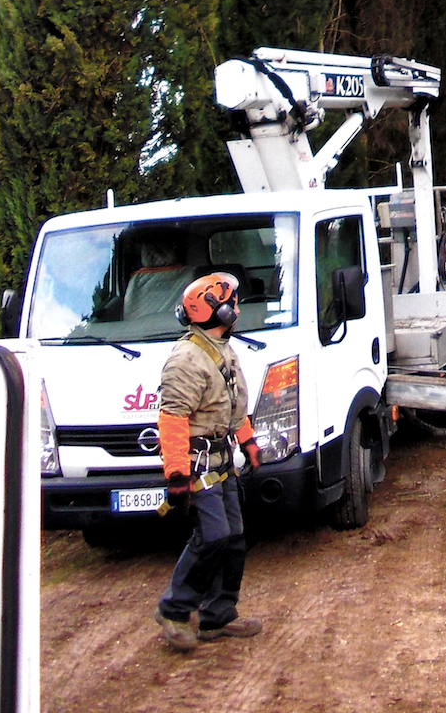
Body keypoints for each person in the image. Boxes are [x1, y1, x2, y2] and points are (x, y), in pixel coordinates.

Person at [153, 272, 264, 652]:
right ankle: (174, 610)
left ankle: (218, 615)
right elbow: (171, 420)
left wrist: (247, 443)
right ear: (218, 311)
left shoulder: (222, 349)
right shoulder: (186, 360)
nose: (237, 307)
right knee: (212, 536)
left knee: (233, 537)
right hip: (197, 466)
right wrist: (177, 477)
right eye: (232, 301)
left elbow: (232, 405)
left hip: (222, 460)